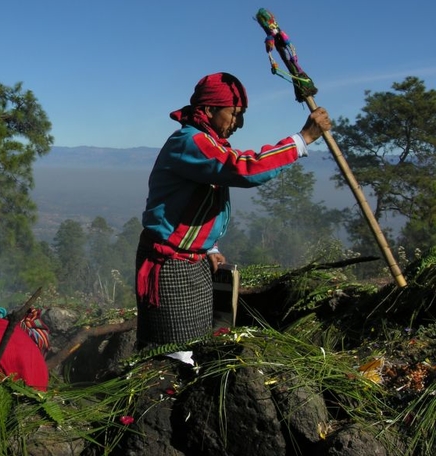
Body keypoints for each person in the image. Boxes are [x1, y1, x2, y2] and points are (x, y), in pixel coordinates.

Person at [135, 72, 331, 348]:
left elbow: (197, 205)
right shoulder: (190, 142)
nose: (239, 123)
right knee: (174, 351)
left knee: (197, 340)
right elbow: (243, 169)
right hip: (170, 264)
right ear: (208, 110)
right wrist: (301, 140)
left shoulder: (209, 143)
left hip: (193, 259)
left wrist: (210, 247)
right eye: (235, 114)